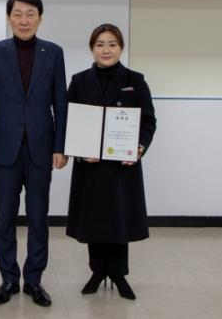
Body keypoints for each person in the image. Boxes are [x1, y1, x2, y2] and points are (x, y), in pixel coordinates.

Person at [0, 0, 68, 307]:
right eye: (17, 14)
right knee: (5, 216)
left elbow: (60, 102)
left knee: (38, 217)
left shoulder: (53, 53)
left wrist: (61, 146)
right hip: (4, 147)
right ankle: (7, 279)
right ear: (9, 18)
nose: (24, 20)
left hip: (42, 148)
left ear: (40, 18)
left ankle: (34, 280)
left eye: (30, 14)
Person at [66, 23, 156, 300]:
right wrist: (79, 151)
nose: (106, 50)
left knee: (119, 219)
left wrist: (139, 148)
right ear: (92, 49)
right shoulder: (79, 81)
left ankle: (118, 273)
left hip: (122, 167)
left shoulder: (135, 80)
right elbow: (69, 121)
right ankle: (97, 271)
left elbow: (148, 120)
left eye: (112, 44)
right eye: (100, 44)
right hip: (90, 165)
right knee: (94, 220)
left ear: (121, 48)